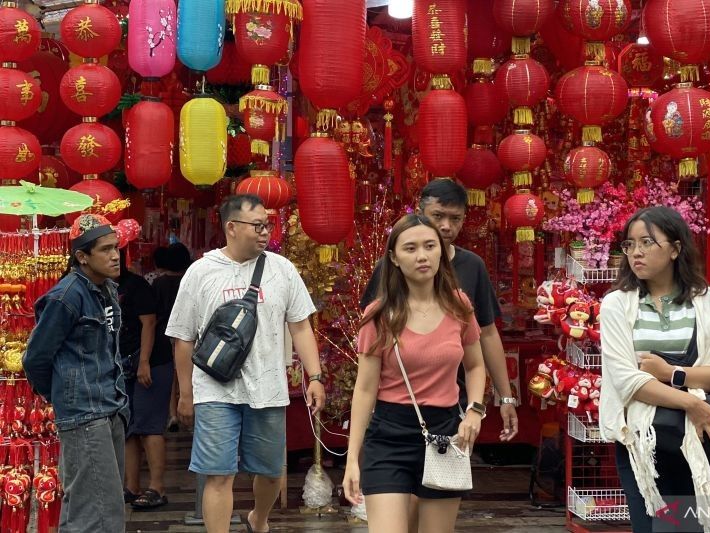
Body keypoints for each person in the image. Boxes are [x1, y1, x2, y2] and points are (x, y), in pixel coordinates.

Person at [165, 194, 326, 533]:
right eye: (257, 225)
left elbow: (300, 325)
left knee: (270, 472)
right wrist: (184, 392)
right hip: (215, 391)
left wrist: (316, 376)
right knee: (218, 474)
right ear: (232, 227)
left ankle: (259, 519)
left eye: (267, 225)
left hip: (268, 389)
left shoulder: (282, 270)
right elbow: (182, 337)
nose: (265, 231)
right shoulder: (201, 272)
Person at [599, 206, 710, 533]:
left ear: (676, 249)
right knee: (650, 525)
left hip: (701, 436)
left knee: (692, 526)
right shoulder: (617, 305)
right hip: (642, 438)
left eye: (647, 243)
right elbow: (627, 381)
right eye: (629, 244)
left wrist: (671, 373)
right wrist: (691, 402)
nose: (636, 252)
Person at [344, 214, 486, 533]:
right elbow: (365, 390)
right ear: (394, 258)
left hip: (446, 434)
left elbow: (475, 365)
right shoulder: (379, 314)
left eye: (429, 246)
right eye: (410, 248)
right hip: (389, 436)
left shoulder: (458, 305)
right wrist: (353, 459)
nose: (422, 256)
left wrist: (475, 411)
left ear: (441, 251)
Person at [360, 179, 519, 440]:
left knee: (444, 479)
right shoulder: (392, 268)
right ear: (420, 213)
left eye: (455, 218)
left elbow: (487, 334)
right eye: (437, 216)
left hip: (454, 405)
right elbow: (372, 340)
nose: (446, 226)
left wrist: (506, 396)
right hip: (396, 404)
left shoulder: (472, 266)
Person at [23, 214, 128, 533]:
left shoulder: (106, 289)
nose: (115, 256)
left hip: (110, 407)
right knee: (98, 514)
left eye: (116, 248)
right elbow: (35, 358)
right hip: (84, 413)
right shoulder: (66, 296)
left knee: (96, 505)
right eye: (106, 250)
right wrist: (65, 395)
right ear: (82, 257)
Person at [117, 247, 172, 509]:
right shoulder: (102, 286)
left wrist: (144, 362)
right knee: (129, 427)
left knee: (150, 425)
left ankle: (157, 487)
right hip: (123, 363)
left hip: (151, 361)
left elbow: (149, 323)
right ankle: (131, 485)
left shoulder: (135, 285)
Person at [154, 244, 193, 432]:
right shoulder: (190, 279)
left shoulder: (159, 283)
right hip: (188, 333)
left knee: (171, 375)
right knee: (189, 372)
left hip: (165, 334)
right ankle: (190, 410)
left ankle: (172, 414)